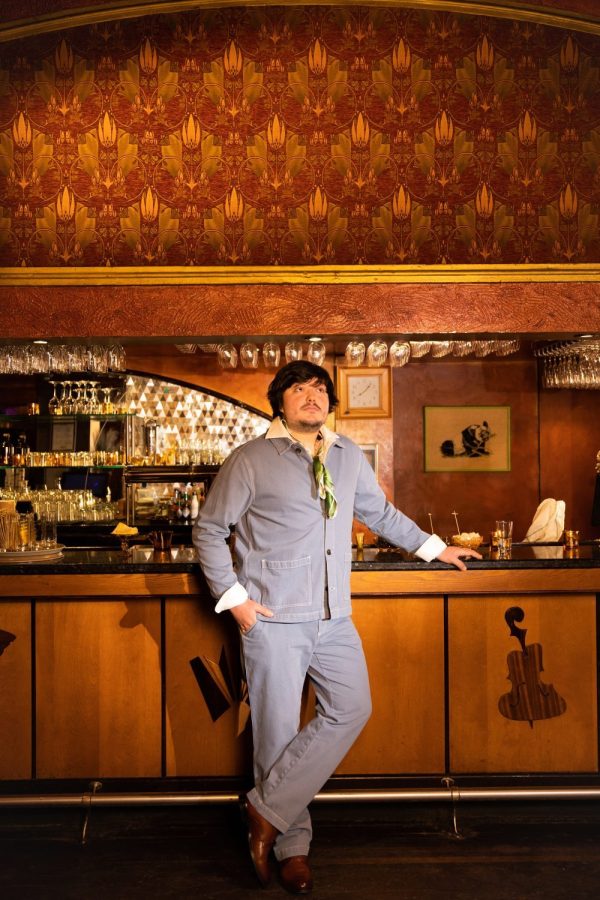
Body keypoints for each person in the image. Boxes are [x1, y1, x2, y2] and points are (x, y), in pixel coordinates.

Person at [193, 360, 481, 894]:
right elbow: (210, 529)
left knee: (352, 707)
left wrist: (435, 549)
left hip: (334, 616)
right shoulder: (250, 459)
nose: (313, 395)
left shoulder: (346, 454)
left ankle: (263, 809)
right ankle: (291, 848)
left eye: (320, 388)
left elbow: (380, 514)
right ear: (279, 402)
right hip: (273, 617)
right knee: (276, 734)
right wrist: (235, 601)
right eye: (299, 388)